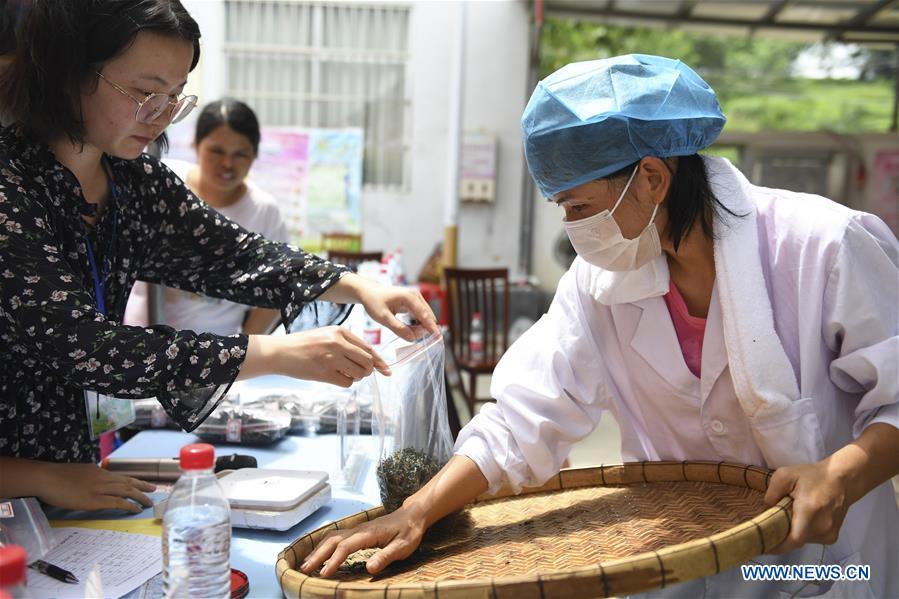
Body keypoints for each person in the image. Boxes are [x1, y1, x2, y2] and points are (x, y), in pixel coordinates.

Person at [300, 55, 899, 598]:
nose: (572, 227)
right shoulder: (601, 282)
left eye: (579, 207)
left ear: (653, 178)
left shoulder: (823, 246)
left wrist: (839, 474)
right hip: (679, 561)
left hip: (822, 564)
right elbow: (524, 415)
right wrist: (420, 509)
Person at [0, 0, 437, 514]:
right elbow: (87, 346)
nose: (160, 116)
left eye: (174, 98)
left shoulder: (132, 182)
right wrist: (275, 353)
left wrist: (358, 286)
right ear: (70, 70)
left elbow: (233, 254)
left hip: (66, 477)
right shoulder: (12, 189)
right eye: (143, 93)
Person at [126, 98, 289, 335]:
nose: (227, 164)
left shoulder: (264, 211)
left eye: (240, 154)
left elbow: (279, 284)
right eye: (217, 150)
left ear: (254, 155)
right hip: (143, 341)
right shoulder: (166, 181)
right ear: (196, 145)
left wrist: (243, 349)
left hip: (217, 353)